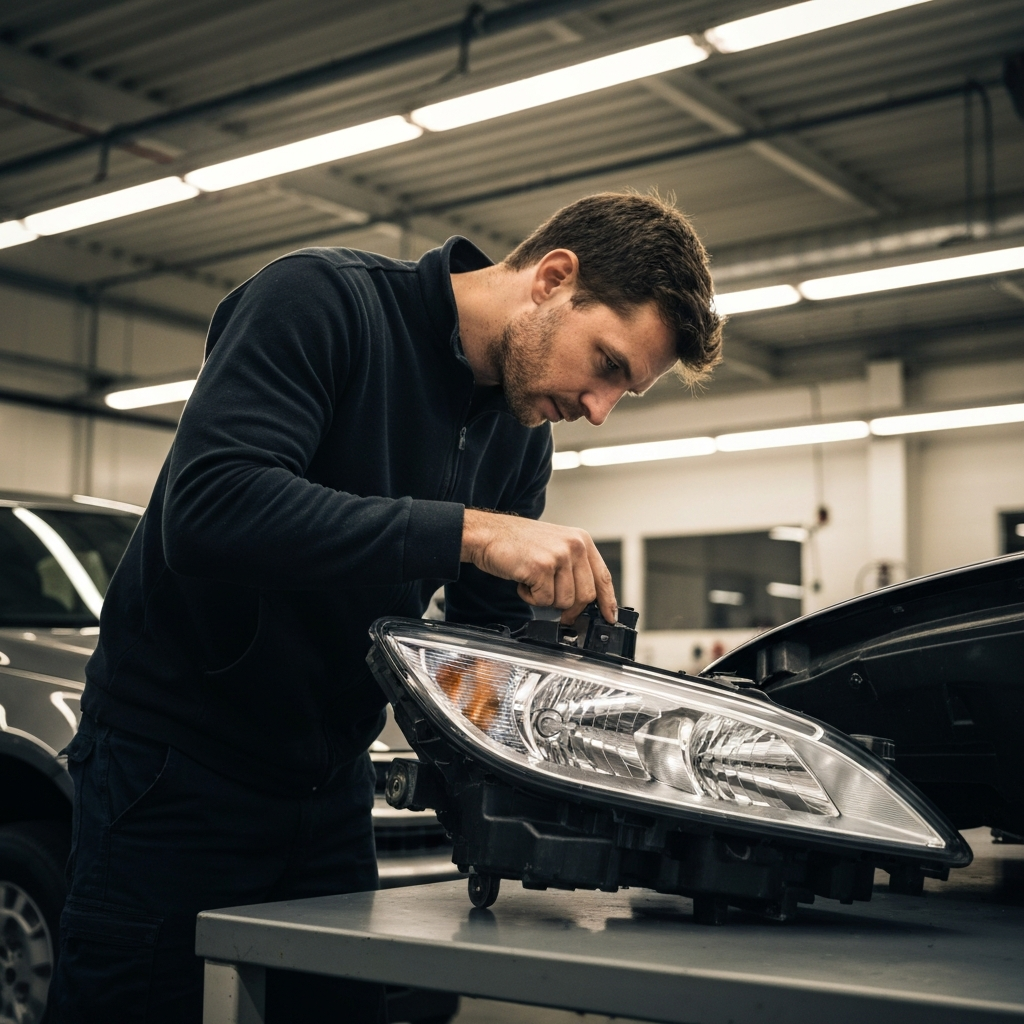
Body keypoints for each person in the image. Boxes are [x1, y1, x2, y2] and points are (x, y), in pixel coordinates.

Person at [53, 190, 722, 1022]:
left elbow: (478, 656)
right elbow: (212, 511)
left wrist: (567, 702)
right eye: (609, 365)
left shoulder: (519, 436)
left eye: (624, 392)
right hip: (173, 773)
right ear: (554, 278)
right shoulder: (320, 302)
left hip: (331, 789)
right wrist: (469, 534)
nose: (598, 407)